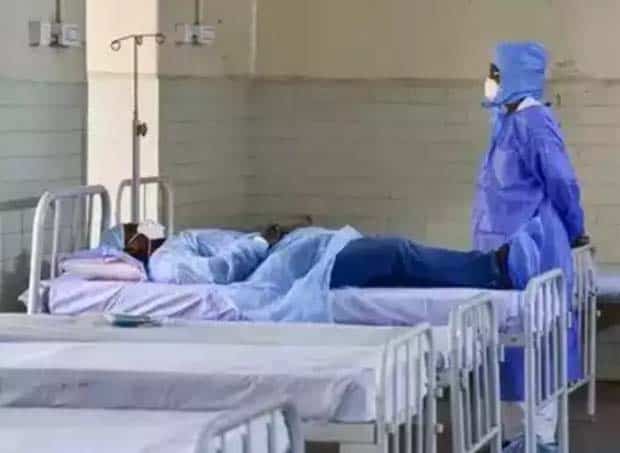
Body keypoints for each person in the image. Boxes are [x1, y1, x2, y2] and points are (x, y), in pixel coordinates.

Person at [474, 41, 589, 449]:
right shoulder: (504, 123)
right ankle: (515, 439)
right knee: (508, 351)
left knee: (537, 345)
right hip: (500, 254)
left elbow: (562, 183)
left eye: (496, 74)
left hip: (536, 253)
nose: (489, 82)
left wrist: (577, 231)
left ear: (517, 76)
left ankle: (537, 440)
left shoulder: (535, 122)